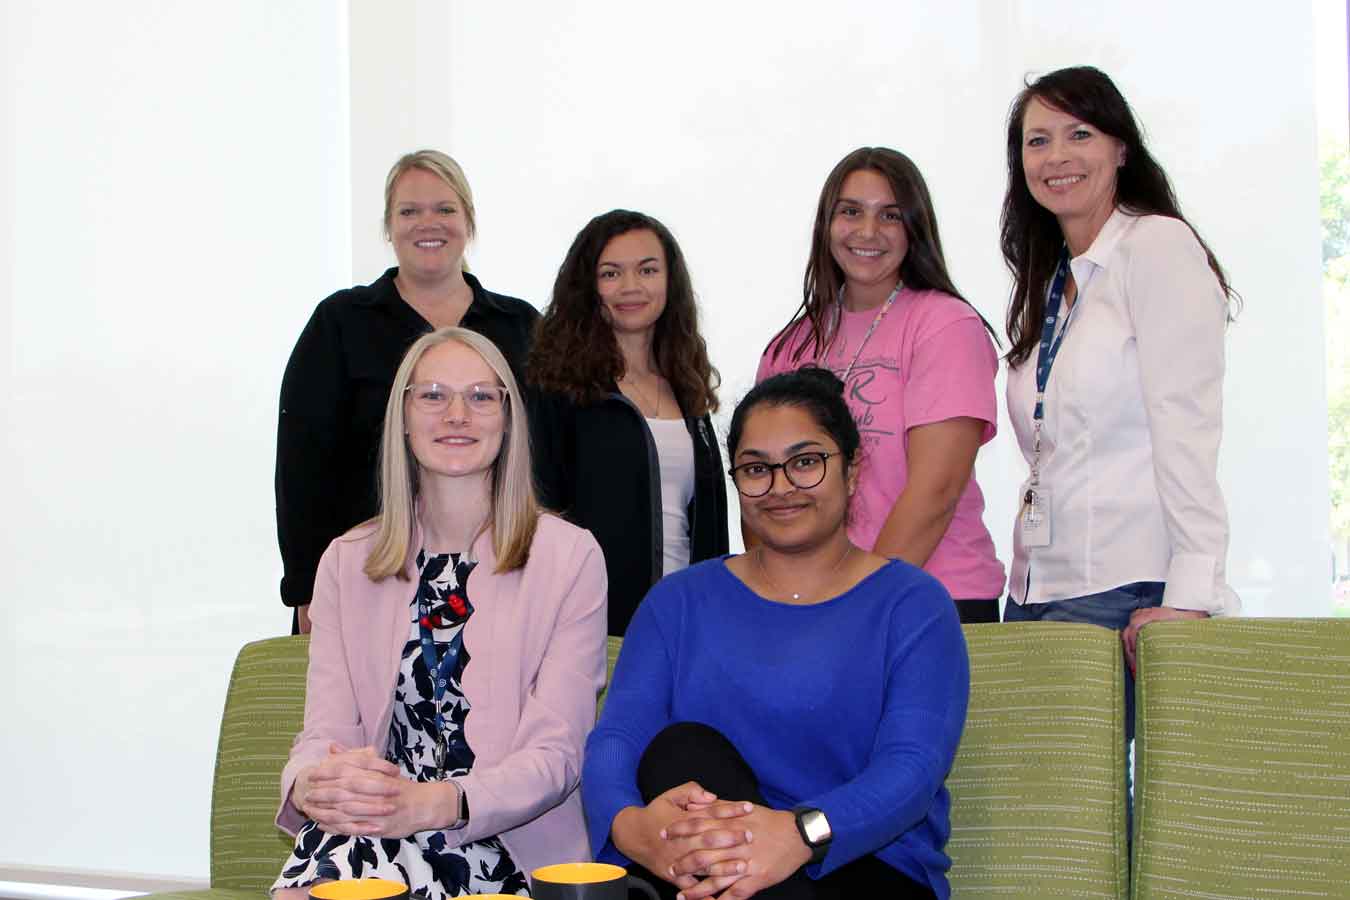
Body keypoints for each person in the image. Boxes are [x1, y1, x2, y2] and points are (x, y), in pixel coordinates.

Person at [582, 368, 968, 900]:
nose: (781, 486)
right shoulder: (678, 603)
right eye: (757, 469)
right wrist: (632, 830)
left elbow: (912, 768)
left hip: (864, 868)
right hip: (711, 878)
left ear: (852, 470)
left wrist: (797, 834)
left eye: (806, 462)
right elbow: (617, 738)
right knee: (680, 750)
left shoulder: (913, 604)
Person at [271, 328, 607, 899]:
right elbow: (325, 734)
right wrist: (309, 785)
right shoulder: (346, 562)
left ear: (508, 417)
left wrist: (433, 804)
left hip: (500, 838)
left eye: (480, 396)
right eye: (432, 395)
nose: (457, 414)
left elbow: (557, 756)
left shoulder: (570, 557)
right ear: (402, 418)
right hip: (373, 829)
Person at [999, 67, 1241, 726]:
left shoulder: (1156, 247)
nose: (1056, 157)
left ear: (1121, 148)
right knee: (1049, 801)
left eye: (1080, 134)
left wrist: (1192, 592)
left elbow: (1186, 426)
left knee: (1089, 812)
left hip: (1122, 582)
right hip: (1035, 584)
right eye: (1036, 140)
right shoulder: (1054, 280)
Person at [276, 149, 540, 634]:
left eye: (444, 209)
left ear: (469, 221)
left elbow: (546, 457)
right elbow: (303, 466)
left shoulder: (520, 326)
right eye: (409, 211)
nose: (428, 223)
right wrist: (306, 590)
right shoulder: (340, 322)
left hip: (500, 578)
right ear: (388, 226)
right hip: (367, 577)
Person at [756, 148, 1005, 624]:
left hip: (929, 598)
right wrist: (781, 601)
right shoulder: (787, 348)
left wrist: (856, 606)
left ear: (914, 227)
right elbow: (764, 494)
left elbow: (937, 492)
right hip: (814, 610)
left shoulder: (944, 325)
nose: (867, 232)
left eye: (889, 215)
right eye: (850, 211)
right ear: (827, 224)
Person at [528, 209, 728, 636]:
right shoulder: (559, 390)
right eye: (611, 273)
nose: (631, 287)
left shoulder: (687, 387)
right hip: (595, 631)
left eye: (648, 270)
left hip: (687, 627)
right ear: (589, 287)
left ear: (669, 281)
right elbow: (539, 515)